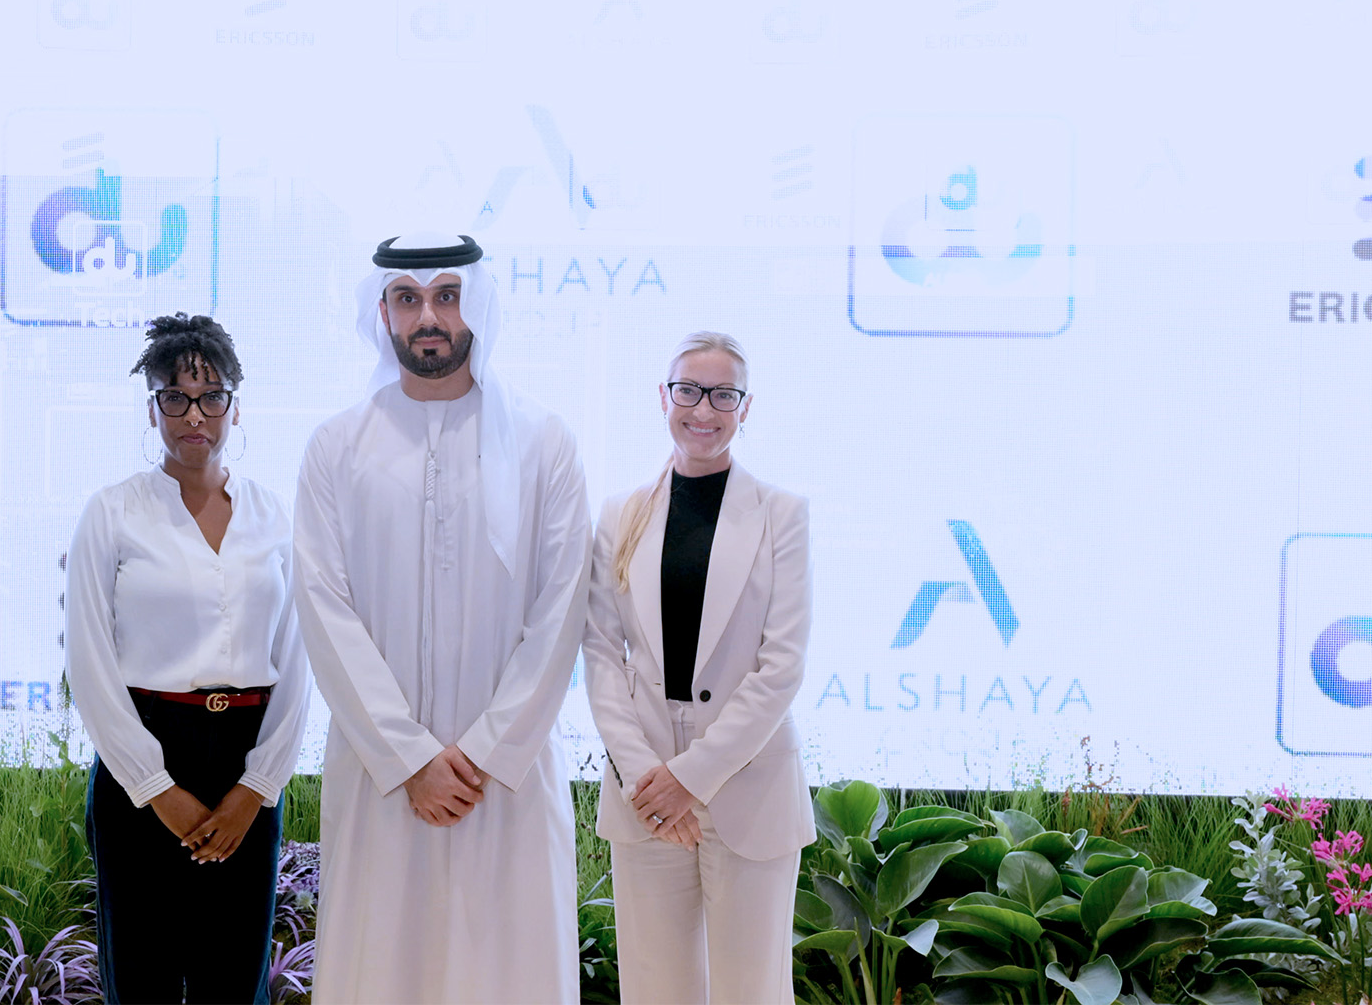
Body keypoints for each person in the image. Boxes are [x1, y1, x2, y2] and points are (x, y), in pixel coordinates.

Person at [293, 232, 592, 1003]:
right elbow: (325, 611)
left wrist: (487, 752)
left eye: (447, 295)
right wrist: (410, 759)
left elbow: (561, 612)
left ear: (476, 305)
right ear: (383, 313)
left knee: (509, 973)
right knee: (381, 970)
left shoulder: (544, 443)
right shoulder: (336, 448)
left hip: (508, 781)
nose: (429, 315)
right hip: (381, 777)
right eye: (408, 298)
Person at [64, 313, 310, 1004]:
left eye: (210, 396)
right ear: (153, 407)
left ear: (235, 405)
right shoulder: (111, 514)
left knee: (233, 982)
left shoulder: (274, 515)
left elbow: (298, 660)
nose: (192, 414)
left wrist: (257, 788)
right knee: (139, 977)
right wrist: (155, 788)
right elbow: (89, 664)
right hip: (142, 754)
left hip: (246, 758)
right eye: (175, 397)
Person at [580, 330, 816, 1004]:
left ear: (746, 407)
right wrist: (649, 780)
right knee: (655, 989)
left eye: (723, 394)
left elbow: (782, 666)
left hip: (749, 790)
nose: (703, 409)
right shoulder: (620, 514)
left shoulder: (782, 515)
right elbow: (600, 654)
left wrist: (692, 778)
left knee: (751, 991)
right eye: (689, 390)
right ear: (665, 396)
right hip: (644, 795)